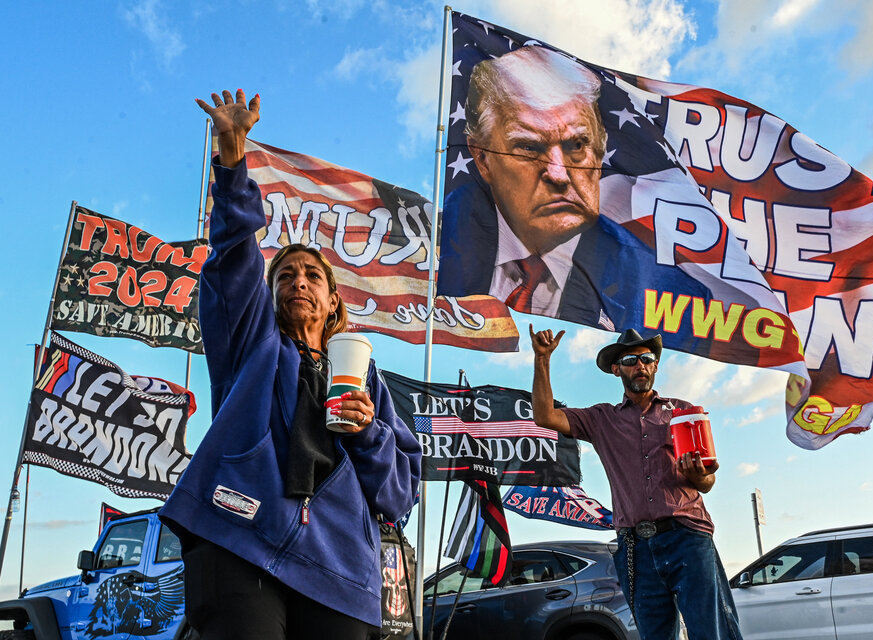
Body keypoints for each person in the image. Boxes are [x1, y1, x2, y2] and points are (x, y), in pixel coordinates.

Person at [159, 89, 421, 640]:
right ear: (271, 294)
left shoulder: (369, 381)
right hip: (237, 535)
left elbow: (398, 494)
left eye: (312, 276)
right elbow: (235, 256)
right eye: (285, 275)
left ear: (333, 303)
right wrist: (232, 162)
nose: (298, 281)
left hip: (340, 569)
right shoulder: (252, 343)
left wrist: (370, 431)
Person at [438, 45, 709, 332]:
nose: (558, 174)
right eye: (529, 147)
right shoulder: (439, 238)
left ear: (601, 148)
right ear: (482, 157)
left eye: (577, 145)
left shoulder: (669, 290)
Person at [529, 325, 742, 640]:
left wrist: (700, 475)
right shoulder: (602, 419)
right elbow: (545, 416)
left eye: (646, 358)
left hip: (688, 538)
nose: (639, 365)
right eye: (630, 359)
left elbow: (707, 481)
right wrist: (542, 359)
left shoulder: (682, 412)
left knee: (713, 633)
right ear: (616, 370)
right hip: (635, 548)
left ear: (655, 366)